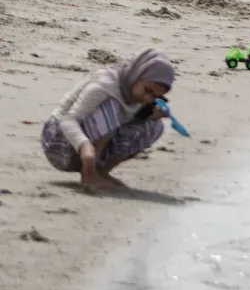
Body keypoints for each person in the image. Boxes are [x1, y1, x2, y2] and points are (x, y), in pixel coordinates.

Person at [41, 48, 177, 190]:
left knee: (153, 125)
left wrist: (152, 116)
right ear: (138, 75)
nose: (148, 98)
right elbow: (68, 120)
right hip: (60, 142)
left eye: (155, 96)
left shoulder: (137, 95)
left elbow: (125, 125)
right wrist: (84, 146)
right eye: (147, 90)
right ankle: (89, 175)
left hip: (91, 151)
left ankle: (102, 171)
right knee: (110, 107)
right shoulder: (105, 85)